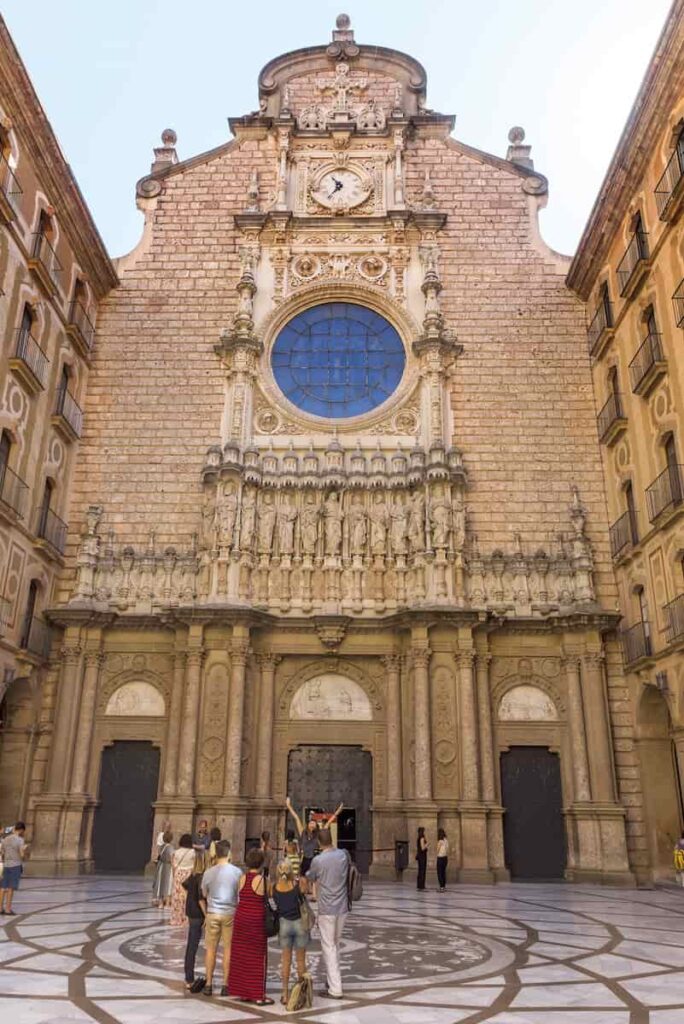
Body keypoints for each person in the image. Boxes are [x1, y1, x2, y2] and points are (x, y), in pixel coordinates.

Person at [303, 827, 348, 1000]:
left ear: (319, 843)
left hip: (327, 908)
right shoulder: (343, 855)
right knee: (335, 944)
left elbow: (311, 876)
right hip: (342, 908)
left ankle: (335, 988)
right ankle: (332, 980)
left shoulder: (318, 860)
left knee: (328, 946)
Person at [226, 848, 274, 1006]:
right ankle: (259, 995)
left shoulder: (242, 878)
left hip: (240, 918)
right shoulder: (263, 880)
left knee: (241, 956)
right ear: (261, 863)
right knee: (258, 957)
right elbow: (270, 895)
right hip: (256, 920)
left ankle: (243, 992)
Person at [201, 839, 242, 997]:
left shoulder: (208, 872)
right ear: (229, 852)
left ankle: (209, 984)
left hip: (212, 913)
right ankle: (226, 985)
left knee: (210, 949)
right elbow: (239, 893)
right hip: (230, 913)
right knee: (228, 949)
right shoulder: (237, 872)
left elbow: (204, 894)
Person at [271, 858, 310, 1006]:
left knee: (285, 961)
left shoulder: (274, 887)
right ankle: (301, 994)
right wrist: (300, 879)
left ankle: (285, 994)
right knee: (301, 962)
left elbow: (271, 896)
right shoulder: (297, 884)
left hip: (284, 925)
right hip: (299, 924)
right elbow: (306, 891)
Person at [285, 798, 343, 876]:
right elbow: (296, 818)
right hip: (304, 860)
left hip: (315, 860)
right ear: (308, 825)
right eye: (310, 823)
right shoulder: (303, 832)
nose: (312, 824)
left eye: (313, 823)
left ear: (316, 825)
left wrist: (338, 812)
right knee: (303, 879)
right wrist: (288, 806)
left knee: (314, 880)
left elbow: (328, 823)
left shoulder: (319, 834)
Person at [182, 848, 206, 991]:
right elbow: (201, 898)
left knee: (191, 944)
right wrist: (207, 914)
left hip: (190, 911)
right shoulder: (201, 877)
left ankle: (188, 976)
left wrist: (189, 898)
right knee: (194, 945)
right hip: (197, 914)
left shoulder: (193, 875)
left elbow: (184, 886)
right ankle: (190, 978)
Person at [0, 822, 27, 915]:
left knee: (3, 887)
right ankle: (8, 909)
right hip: (15, 865)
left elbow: (2, 852)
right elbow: (22, 855)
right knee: (11, 888)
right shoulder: (20, 840)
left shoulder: (5, 839)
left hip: (6, 865)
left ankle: (0, 908)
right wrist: (24, 850)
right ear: (21, 830)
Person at [170, 833, 195, 926]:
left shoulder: (176, 852)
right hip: (188, 876)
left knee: (177, 898)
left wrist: (174, 877)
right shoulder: (193, 852)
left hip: (178, 875)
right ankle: (186, 918)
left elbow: (173, 866)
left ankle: (176, 918)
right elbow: (195, 866)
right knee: (188, 898)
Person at [152, 830, 174, 907]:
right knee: (168, 884)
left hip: (161, 866)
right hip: (168, 867)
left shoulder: (161, 847)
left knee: (161, 884)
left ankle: (160, 903)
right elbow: (172, 858)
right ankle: (167, 904)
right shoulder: (170, 847)